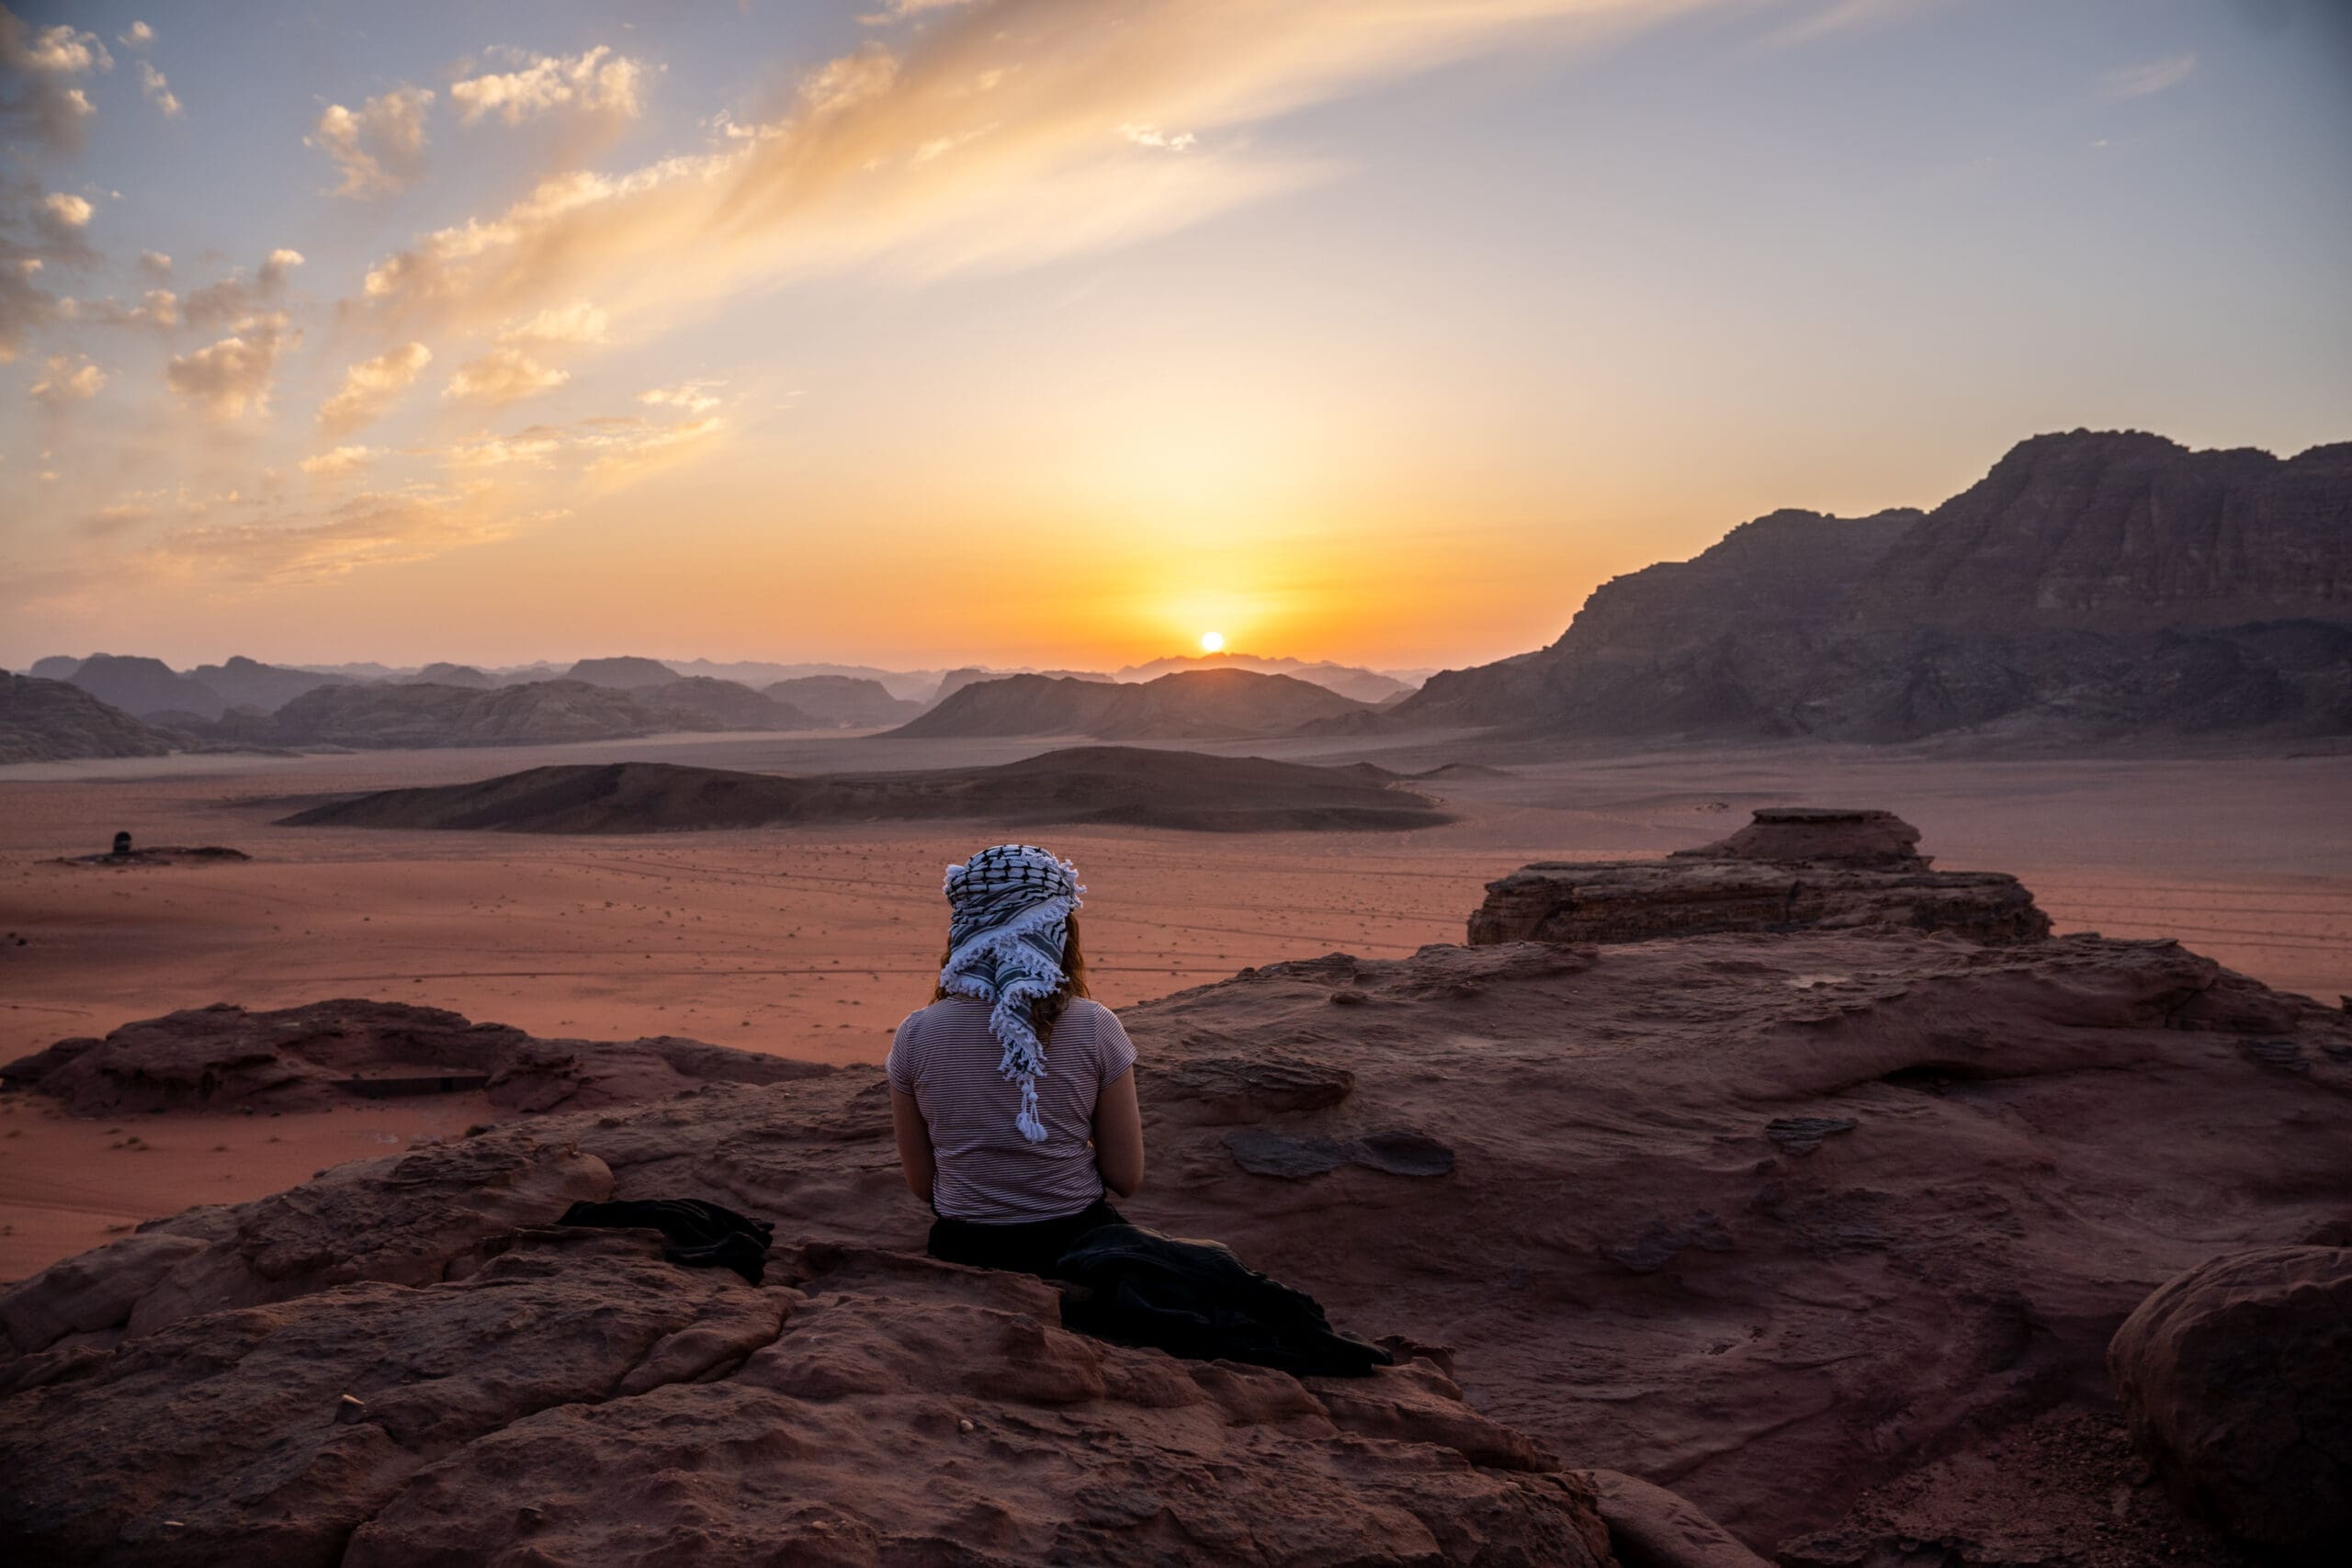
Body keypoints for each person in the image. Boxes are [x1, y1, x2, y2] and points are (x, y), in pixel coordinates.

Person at [888, 843, 1145, 1277]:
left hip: (964, 1248)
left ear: (965, 929)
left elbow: (921, 1185)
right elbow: (1126, 1176)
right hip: (1076, 1246)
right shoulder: (1095, 1026)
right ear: (1057, 928)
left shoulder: (915, 1034)